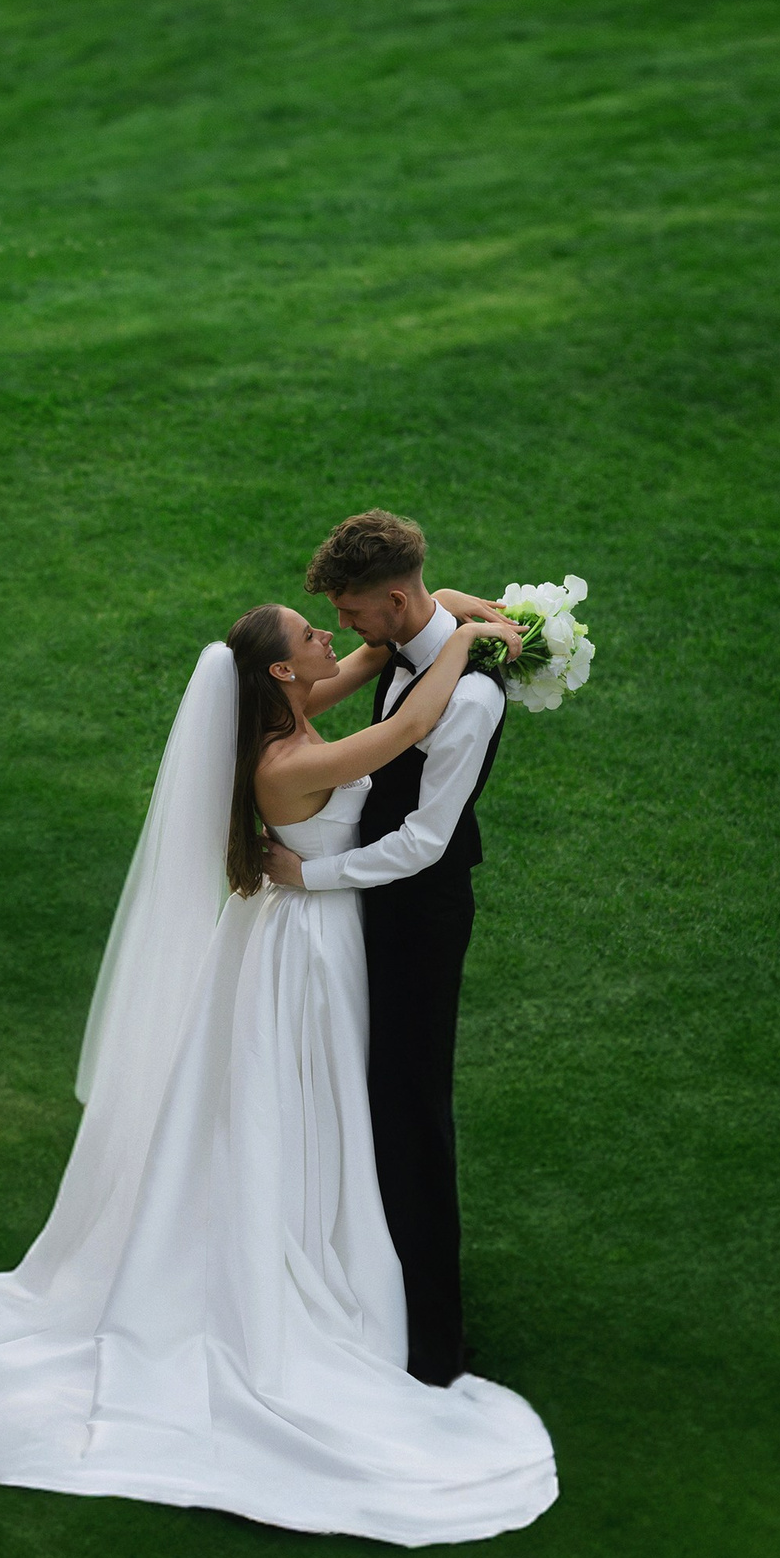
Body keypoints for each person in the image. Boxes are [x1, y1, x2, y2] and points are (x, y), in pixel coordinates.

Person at [0, 575, 555, 1546]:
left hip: (297, 930)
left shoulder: (288, 711)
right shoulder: (289, 761)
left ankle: (317, 1226)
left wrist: (449, 610)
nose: (328, 638)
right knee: (304, 1097)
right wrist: (468, 648)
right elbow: (402, 731)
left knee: (306, 1101)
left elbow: (377, 653)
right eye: (309, 634)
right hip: (310, 946)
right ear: (280, 672)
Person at [259, 510, 505, 1389]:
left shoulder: (468, 696)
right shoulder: (400, 652)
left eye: (352, 610)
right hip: (364, 913)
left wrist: (310, 876)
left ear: (395, 600)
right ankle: (363, 1278)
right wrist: (459, 622)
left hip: (416, 919)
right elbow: (393, 707)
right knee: (363, 1102)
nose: (343, 628)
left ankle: (432, 1342)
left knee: (410, 1112)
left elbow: (424, 843)